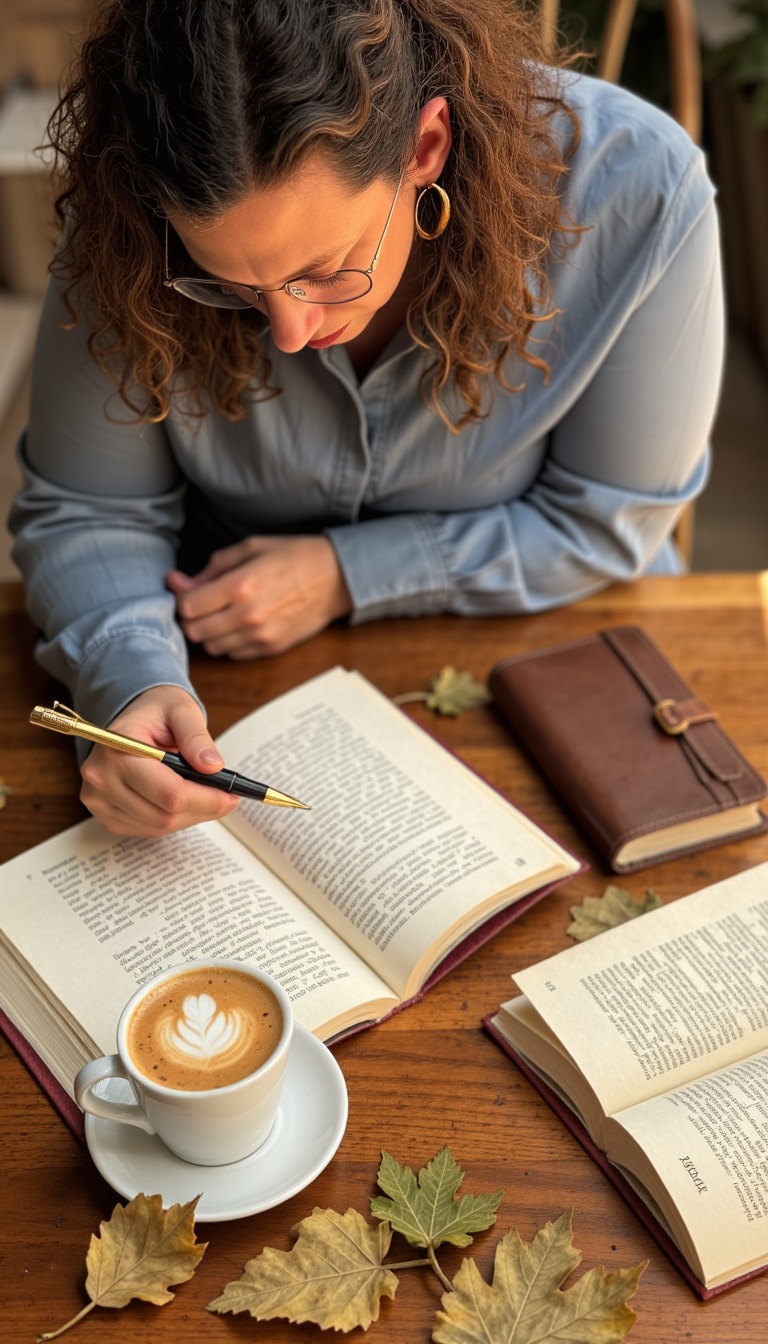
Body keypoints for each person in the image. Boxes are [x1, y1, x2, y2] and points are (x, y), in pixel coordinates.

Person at [10, 0, 723, 839]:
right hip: (227, 673)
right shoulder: (128, 224)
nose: (288, 331)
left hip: (558, 679)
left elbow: (613, 518)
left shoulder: (637, 189)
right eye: (229, 283)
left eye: (325, 270)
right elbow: (90, 511)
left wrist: (348, 573)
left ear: (426, 149)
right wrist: (130, 681)